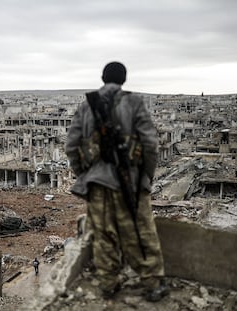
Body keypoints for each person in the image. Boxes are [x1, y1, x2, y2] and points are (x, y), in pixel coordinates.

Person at [65, 61, 169, 302]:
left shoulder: (86, 106)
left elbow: (71, 146)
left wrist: (84, 174)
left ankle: (108, 283)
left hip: (97, 184)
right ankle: (152, 283)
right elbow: (150, 145)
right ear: (124, 80)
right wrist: (145, 177)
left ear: (102, 78)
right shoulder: (134, 103)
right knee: (139, 231)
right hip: (129, 182)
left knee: (104, 234)